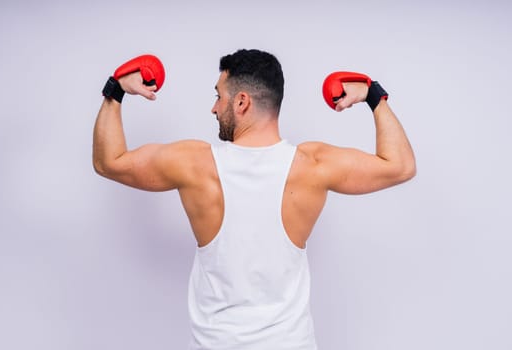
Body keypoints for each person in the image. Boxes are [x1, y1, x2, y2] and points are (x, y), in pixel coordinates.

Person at [92, 49, 416, 349]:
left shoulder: (193, 164)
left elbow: (109, 162)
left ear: (242, 102)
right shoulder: (313, 166)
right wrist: (373, 94)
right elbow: (400, 166)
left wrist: (116, 88)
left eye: (219, 96)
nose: (214, 107)